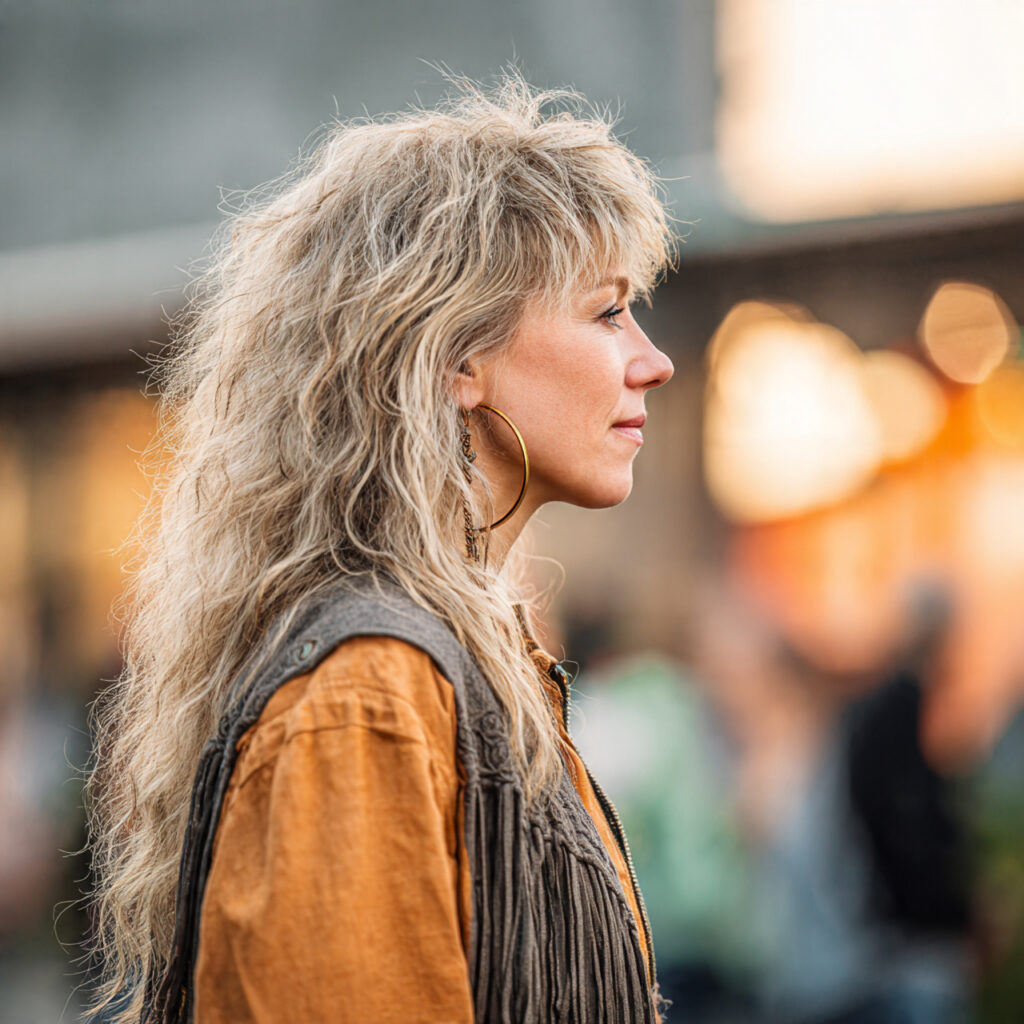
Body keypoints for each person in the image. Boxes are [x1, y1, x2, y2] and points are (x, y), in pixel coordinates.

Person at [85, 75, 675, 1024]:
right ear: (455, 356)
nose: (652, 358)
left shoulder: (450, 658)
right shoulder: (371, 688)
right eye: (607, 313)